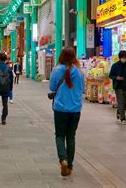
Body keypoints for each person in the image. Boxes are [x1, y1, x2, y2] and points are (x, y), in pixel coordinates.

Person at [49, 47, 85, 177]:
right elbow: (83, 90)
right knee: (71, 136)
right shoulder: (80, 72)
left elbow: (52, 87)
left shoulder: (57, 70)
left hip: (60, 109)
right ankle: (69, 166)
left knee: (59, 135)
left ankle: (62, 159)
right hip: (75, 109)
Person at [109, 50, 126, 125]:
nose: (124, 59)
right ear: (120, 57)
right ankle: (123, 118)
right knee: (121, 102)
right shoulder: (115, 65)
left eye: (125, 58)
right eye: (123, 57)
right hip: (118, 86)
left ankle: (119, 111)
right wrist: (116, 78)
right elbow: (110, 75)